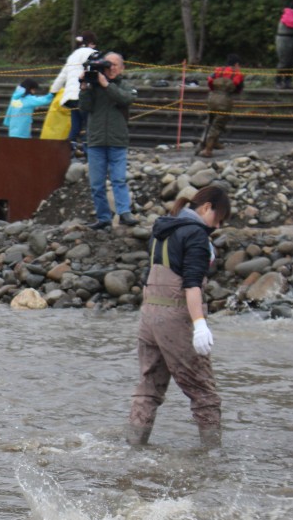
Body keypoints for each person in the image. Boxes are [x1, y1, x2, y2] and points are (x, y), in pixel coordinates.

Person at [126, 185, 232, 448]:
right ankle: (212, 459)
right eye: (217, 219)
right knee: (204, 393)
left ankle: (133, 449)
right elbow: (192, 284)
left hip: (149, 316)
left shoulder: (162, 231)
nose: (216, 227)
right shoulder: (195, 235)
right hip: (176, 319)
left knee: (149, 388)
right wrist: (199, 325)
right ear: (206, 207)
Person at [79, 52, 138, 230]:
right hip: (96, 140)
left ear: (122, 68)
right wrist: (84, 87)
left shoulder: (125, 86)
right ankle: (103, 217)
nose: (110, 68)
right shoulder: (94, 87)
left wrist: (106, 85)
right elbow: (85, 107)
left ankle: (124, 212)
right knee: (96, 184)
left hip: (117, 140)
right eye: (107, 65)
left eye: (114, 65)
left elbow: (126, 99)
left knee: (118, 179)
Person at [50, 32, 99, 156]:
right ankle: (89, 152)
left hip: (70, 97)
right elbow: (94, 71)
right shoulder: (92, 53)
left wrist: (53, 91)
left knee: (75, 126)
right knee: (88, 124)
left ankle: (67, 151)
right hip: (83, 95)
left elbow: (62, 75)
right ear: (91, 43)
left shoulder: (73, 56)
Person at [197, 55, 244, 158]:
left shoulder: (218, 70)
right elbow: (238, 89)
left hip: (212, 97)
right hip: (224, 99)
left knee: (209, 121)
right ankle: (208, 150)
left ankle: (202, 145)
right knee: (218, 125)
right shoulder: (237, 73)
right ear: (236, 64)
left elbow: (209, 81)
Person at [275, 0, 293, 89]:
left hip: (292, 39)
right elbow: (291, 23)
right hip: (283, 39)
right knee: (284, 61)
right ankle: (278, 81)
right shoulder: (288, 13)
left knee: (292, 62)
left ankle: (288, 81)